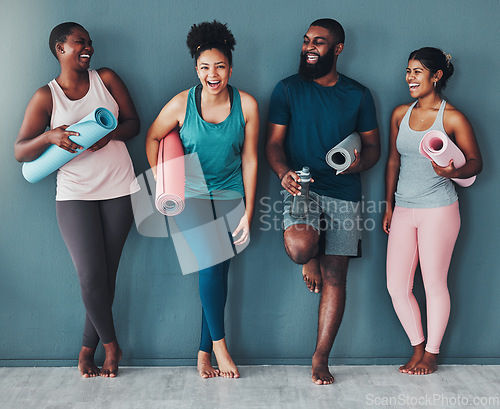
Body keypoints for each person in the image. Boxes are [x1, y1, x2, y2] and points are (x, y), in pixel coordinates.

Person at [15, 22, 140, 378]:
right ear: (60, 48)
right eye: (79, 42)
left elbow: (134, 123)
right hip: (74, 194)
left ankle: (87, 348)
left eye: (90, 43)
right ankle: (111, 345)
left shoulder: (107, 79)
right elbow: (19, 151)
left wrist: (110, 134)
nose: (88, 48)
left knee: (107, 275)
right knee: (89, 277)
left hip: (119, 187)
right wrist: (49, 137)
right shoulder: (46, 96)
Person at [266, 18, 380, 385]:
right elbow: (272, 144)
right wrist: (283, 171)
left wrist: (359, 162)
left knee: (336, 276)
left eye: (319, 41)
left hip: (345, 192)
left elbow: (374, 147)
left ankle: (319, 358)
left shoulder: (359, 95)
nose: (310, 47)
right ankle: (311, 253)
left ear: (338, 48)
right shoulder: (287, 90)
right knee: (300, 248)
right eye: (306, 41)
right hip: (302, 186)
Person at [145, 21, 259, 379]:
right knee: (211, 262)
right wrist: (166, 183)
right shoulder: (181, 104)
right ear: (196, 69)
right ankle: (222, 349)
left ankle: (202, 354)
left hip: (231, 195)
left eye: (220, 66)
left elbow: (250, 159)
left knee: (218, 275)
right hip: (190, 196)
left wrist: (250, 211)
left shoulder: (248, 105)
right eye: (205, 67)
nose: (213, 74)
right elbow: (151, 139)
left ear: (231, 68)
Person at [383, 47, 482, 375]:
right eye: (408, 71)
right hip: (403, 209)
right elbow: (394, 160)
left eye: (417, 71)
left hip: (439, 210)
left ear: (436, 76)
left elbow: (476, 162)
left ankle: (431, 354)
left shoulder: (452, 117)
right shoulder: (400, 113)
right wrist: (389, 205)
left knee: (434, 283)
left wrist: (452, 172)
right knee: (397, 286)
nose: (409, 77)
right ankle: (416, 347)